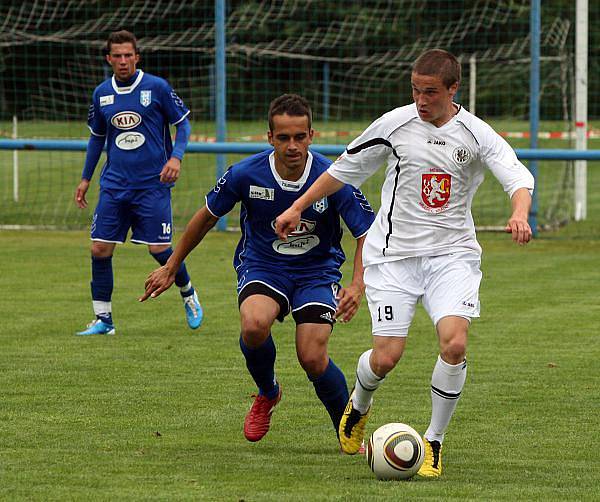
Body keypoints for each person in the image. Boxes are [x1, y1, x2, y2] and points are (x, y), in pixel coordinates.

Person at [275, 49, 534, 476]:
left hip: (452, 257)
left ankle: (433, 441)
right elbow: (343, 171)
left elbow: (517, 177)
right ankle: (358, 404)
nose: (421, 99)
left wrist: (519, 213)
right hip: (394, 258)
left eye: (430, 91)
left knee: (454, 343)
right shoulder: (394, 125)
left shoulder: (476, 133)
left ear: (453, 89)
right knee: (386, 357)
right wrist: (298, 206)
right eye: (415, 89)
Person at [140, 94, 375, 444]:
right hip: (264, 265)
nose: (292, 146)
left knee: (311, 356)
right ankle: (268, 392)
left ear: (312, 135)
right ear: (270, 138)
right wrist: (172, 265)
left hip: (317, 272)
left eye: (299, 137)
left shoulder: (333, 177)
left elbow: (366, 233)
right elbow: (206, 217)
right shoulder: (246, 173)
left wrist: (357, 286)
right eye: (283, 138)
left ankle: (346, 427)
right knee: (253, 324)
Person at [74, 30, 203, 335]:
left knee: (159, 250)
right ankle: (103, 320)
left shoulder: (156, 87)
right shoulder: (101, 94)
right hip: (115, 185)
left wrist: (177, 157)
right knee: (99, 250)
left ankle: (188, 294)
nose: (122, 61)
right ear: (109, 59)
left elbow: (182, 124)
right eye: (116, 56)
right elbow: (96, 140)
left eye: (128, 55)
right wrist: (85, 179)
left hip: (152, 184)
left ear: (137, 57)